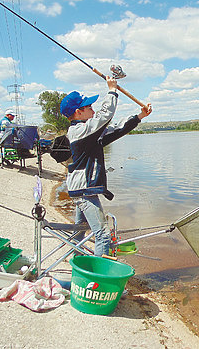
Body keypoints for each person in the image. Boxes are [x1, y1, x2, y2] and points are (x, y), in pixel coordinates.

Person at [60, 76, 152, 257]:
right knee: (102, 235)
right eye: (89, 107)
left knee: (80, 231)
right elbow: (105, 116)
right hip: (84, 190)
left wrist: (140, 116)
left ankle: (76, 264)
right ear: (78, 113)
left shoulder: (88, 133)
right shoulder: (80, 131)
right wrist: (112, 90)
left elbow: (117, 130)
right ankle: (98, 278)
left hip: (81, 189)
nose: (93, 110)